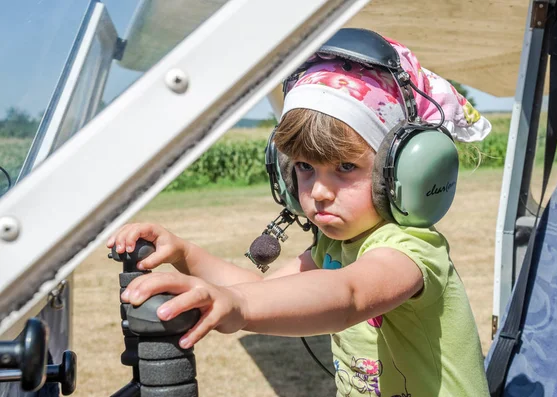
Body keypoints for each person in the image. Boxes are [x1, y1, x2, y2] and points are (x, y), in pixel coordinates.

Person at [108, 32, 492, 396]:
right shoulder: (332, 246)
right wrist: (185, 255)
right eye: (306, 167)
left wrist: (239, 307)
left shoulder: (410, 248)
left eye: (344, 168)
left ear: (401, 172)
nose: (319, 192)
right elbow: (264, 291)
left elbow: (349, 295)